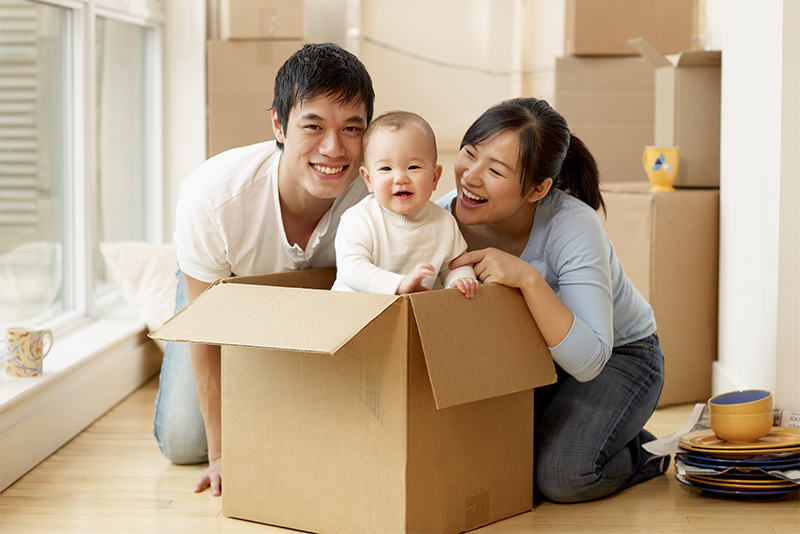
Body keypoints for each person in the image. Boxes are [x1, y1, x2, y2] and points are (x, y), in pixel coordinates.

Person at [152, 43, 375, 497]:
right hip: (225, 298)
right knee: (183, 442)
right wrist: (220, 455)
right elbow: (207, 329)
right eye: (313, 126)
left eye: (352, 128)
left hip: (326, 313)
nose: (334, 149)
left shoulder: (378, 191)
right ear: (278, 124)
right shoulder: (213, 197)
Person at [441, 97, 668, 503]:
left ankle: (645, 452)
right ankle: (598, 430)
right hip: (534, 361)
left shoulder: (572, 224)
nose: (470, 177)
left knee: (562, 476)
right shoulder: (439, 220)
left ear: (538, 188)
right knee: (490, 464)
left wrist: (527, 277)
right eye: (469, 154)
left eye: (494, 170)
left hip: (619, 356)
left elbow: (589, 361)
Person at [331, 111, 479, 297]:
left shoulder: (444, 222)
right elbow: (352, 269)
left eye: (413, 167)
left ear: (434, 177)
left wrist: (460, 279)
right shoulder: (359, 219)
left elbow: (456, 264)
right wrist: (398, 284)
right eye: (386, 168)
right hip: (354, 313)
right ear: (369, 180)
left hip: (409, 315)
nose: (400, 178)